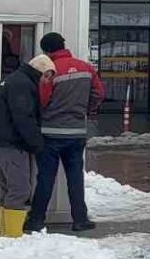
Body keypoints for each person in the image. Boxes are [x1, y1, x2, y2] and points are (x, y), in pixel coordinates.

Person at [29, 32, 105, 232]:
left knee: (46, 178)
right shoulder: (86, 68)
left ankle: (36, 220)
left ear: (46, 51)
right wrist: (85, 110)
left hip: (50, 133)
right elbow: (99, 93)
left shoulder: (50, 71)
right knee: (75, 178)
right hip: (76, 133)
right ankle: (80, 219)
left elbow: (43, 100)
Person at [0, 53, 53, 237]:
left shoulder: (12, 80)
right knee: (20, 188)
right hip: (11, 144)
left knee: (7, 186)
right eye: (47, 76)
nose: (47, 81)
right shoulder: (23, 85)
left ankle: (5, 231)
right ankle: (12, 235)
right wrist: (37, 143)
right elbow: (24, 118)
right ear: (40, 71)